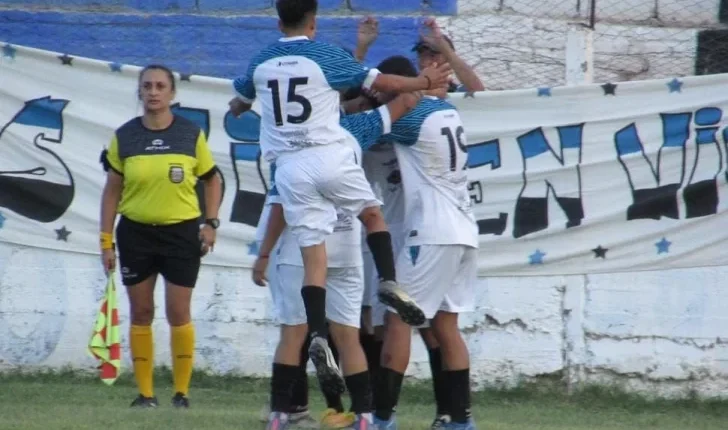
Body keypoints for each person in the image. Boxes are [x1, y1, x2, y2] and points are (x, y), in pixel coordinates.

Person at [228, 0, 452, 394]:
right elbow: (383, 84)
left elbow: (242, 97)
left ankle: (317, 334)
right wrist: (423, 82)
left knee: (313, 256)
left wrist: (240, 104)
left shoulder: (261, 61)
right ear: (314, 23)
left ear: (278, 22)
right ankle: (388, 282)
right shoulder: (326, 58)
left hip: (291, 169)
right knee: (372, 216)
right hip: (329, 156)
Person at [253, 88, 424, 430]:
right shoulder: (354, 130)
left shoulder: (288, 144)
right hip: (346, 244)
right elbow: (402, 103)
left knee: (293, 335)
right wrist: (425, 84)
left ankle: (279, 415)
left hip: (302, 249)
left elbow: (279, 206)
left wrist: (265, 252)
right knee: (348, 337)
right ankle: (363, 417)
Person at [354, 18, 485, 428]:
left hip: (431, 233)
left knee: (397, 321)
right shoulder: (449, 110)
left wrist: (370, 98)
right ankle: (460, 421)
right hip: (465, 232)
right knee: (447, 327)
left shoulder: (410, 118)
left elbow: (357, 130)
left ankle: (382, 419)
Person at [99, 64, 222, 409]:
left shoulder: (190, 134)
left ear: (172, 93)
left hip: (181, 234)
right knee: (141, 312)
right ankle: (146, 394)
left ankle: (181, 393)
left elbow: (212, 179)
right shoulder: (125, 136)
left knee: (178, 312)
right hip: (135, 234)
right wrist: (106, 241)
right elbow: (112, 191)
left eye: (160, 86)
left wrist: (211, 223)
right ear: (139, 91)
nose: (153, 92)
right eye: (147, 86)